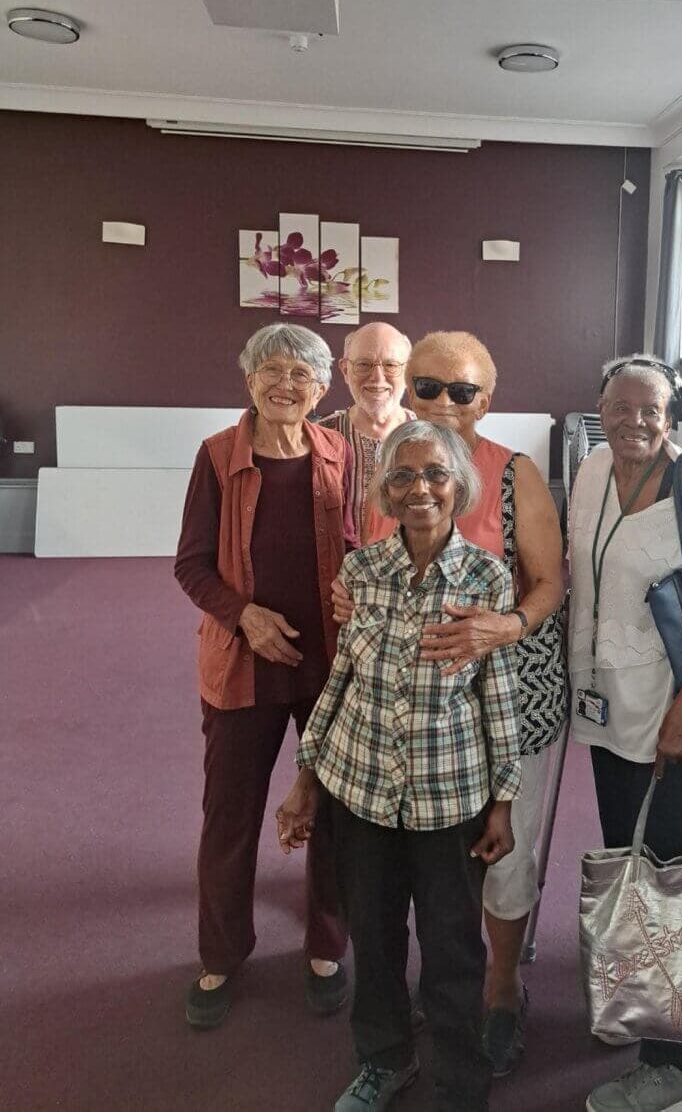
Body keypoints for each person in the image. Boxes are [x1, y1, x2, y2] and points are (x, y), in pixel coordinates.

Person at [337, 329, 567, 1077]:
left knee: (502, 857)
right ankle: (417, 1005)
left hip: (508, 700)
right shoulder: (397, 466)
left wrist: (508, 623)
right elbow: (374, 563)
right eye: (428, 387)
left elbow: (550, 581)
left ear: (486, 401)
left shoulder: (515, 473)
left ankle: (501, 989)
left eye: (461, 391)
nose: (443, 402)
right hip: (412, 718)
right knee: (422, 869)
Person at [276, 420, 522, 1112]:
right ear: (384, 490)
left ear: (459, 485)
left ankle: (459, 1080)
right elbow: (342, 681)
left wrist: (503, 800)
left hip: (450, 803)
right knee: (375, 941)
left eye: (436, 475)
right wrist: (306, 780)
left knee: (452, 951)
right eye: (404, 477)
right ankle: (383, 1061)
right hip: (362, 796)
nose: (421, 490)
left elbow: (497, 697)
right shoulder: (360, 573)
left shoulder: (485, 577)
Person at [569, 355, 682, 1112]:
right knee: (631, 867)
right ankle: (639, 998)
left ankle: (676, 1066)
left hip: (669, 720)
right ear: (601, 409)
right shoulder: (590, 473)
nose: (635, 421)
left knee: (671, 883)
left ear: (672, 413)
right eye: (620, 407)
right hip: (606, 713)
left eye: (651, 410)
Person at [174, 323, 353, 1029]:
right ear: (249, 380)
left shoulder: (338, 450)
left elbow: (353, 546)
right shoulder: (218, 457)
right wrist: (244, 616)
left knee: (335, 812)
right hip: (241, 666)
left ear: (321, 386)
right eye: (271, 371)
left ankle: (326, 946)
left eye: (301, 374)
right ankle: (221, 953)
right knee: (230, 816)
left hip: (326, 664)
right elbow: (190, 563)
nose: (286, 385)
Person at [319, 321, 415, 541]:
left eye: (391, 365)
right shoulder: (318, 437)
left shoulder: (432, 439)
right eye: (364, 364)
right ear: (345, 370)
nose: (378, 378)